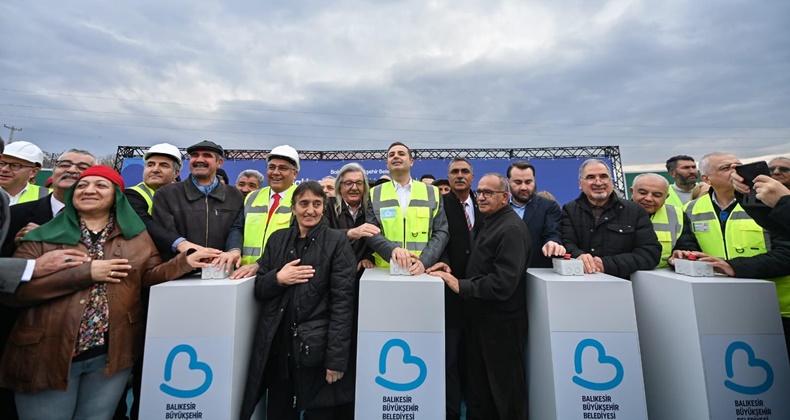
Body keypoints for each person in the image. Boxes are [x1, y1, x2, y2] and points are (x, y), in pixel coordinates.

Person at [0, 165, 218, 420]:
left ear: (116, 196)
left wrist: (184, 262)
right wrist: (85, 273)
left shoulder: (136, 237)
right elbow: (13, 294)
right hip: (47, 355)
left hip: (111, 355)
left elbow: (147, 277)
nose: (89, 190)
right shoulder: (41, 235)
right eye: (81, 185)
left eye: (100, 185)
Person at [240, 181, 356, 420]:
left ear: (324, 208)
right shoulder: (277, 239)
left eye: (316, 204)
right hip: (280, 349)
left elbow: (343, 304)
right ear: (293, 208)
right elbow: (260, 289)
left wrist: (336, 359)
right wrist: (278, 278)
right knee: (280, 412)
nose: (310, 210)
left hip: (317, 350)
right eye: (303, 204)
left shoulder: (337, 242)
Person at [428, 173, 530, 420]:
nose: (481, 197)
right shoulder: (491, 222)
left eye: (488, 193)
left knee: (504, 394)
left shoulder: (511, 229)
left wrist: (460, 285)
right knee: (481, 392)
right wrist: (450, 269)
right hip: (482, 322)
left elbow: (503, 283)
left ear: (505, 197)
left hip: (501, 327)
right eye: (480, 192)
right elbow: (482, 265)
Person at [672, 153, 790, 355]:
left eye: (738, 166)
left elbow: (786, 254)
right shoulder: (691, 208)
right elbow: (688, 244)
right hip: (722, 307)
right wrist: (682, 255)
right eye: (726, 168)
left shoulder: (765, 204)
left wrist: (733, 267)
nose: (735, 172)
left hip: (778, 308)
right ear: (706, 179)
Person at [322, 163, 378, 418]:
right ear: (339, 187)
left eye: (358, 183)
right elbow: (320, 237)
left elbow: (380, 238)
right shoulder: (327, 207)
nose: (354, 187)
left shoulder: (372, 208)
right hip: (330, 286)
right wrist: (351, 233)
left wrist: (370, 257)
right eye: (348, 183)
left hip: (362, 287)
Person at [429, 158, 482, 420]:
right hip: (450, 295)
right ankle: (451, 414)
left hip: (482, 295)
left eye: (464, 172)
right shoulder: (440, 206)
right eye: (454, 172)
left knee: (476, 361)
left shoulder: (485, 203)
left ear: (473, 177)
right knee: (449, 362)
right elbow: (438, 240)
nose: (459, 176)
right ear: (448, 178)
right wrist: (445, 265)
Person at [561, 159, 661, 278]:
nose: (598, 182)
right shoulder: (569, 210)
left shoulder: (635, 211)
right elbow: (566, 243)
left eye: (603, 176)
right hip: (579, 282)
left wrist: (607, 264)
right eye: (591, 177)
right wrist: (578, 255)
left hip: (624, 285)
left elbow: (649, 253)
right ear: (580, 184)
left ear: (611, 181)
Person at [152, 140, 244, 263]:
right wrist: (189, 256)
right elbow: (165, 234)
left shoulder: (235, 195)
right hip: (179, 272)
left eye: (207, 155)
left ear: (219, 162)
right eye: (195, 155)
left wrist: (233, 250)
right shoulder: (166, 194)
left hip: (222, 271)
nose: (199, 159)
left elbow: (237, 229)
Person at [366, 142, 448, 275]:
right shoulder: (375, 193)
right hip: (385, 270)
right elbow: (370, 232)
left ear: (411, 161)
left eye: (401, 154)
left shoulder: (432, 192)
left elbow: (441, 231)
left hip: (422, 271)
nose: (396, 157)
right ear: (387, 164)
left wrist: (425, 261)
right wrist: (393, 250)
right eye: (391, 155)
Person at [2, 149, 97, 257]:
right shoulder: (13, 214)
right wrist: (18, 243)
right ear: (54, 171)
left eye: (82, 168)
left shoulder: (107, 221)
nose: (71, 170)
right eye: (64, 165)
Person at [229, 145, 300, 279]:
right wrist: (234, 249)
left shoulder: (301, 198)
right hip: (245, 273)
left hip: (280, 274)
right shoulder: (252, 197)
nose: (275, 172)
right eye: (272, 167)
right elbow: (238, 228)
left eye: (283, 168)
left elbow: (296, 241)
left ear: (295, 173)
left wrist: (259, 264)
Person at [124, 143, 181, 255]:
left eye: (163, 165)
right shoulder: (132, 194)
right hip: (146, 259)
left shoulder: (184, 194)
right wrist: (180, 243)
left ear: (176, 173)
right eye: (150, 165)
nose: (155, 169)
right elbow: (144, 224)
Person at [507, 161, 565, 268]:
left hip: (536, 273)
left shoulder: (548, 206)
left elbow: (553, 233)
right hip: (503, 275)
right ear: (508, 182)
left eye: (528, 182)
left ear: (534, 181)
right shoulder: (499, 207)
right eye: (518, 182)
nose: (524, 187)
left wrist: (552, 243)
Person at [630, 173, 683, 268]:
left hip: (664, 276)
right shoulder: (614, 213)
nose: (648, 198)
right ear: (632, 191)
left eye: (657, 195)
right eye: (643, 193)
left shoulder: (677, 214)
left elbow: (686, 245)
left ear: (666, 197)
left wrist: (679, 255)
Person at [0, 141, 47, 205]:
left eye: (15, 165)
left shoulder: (47, 196)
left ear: (33, 172)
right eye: (1, 163)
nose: (4, 169)